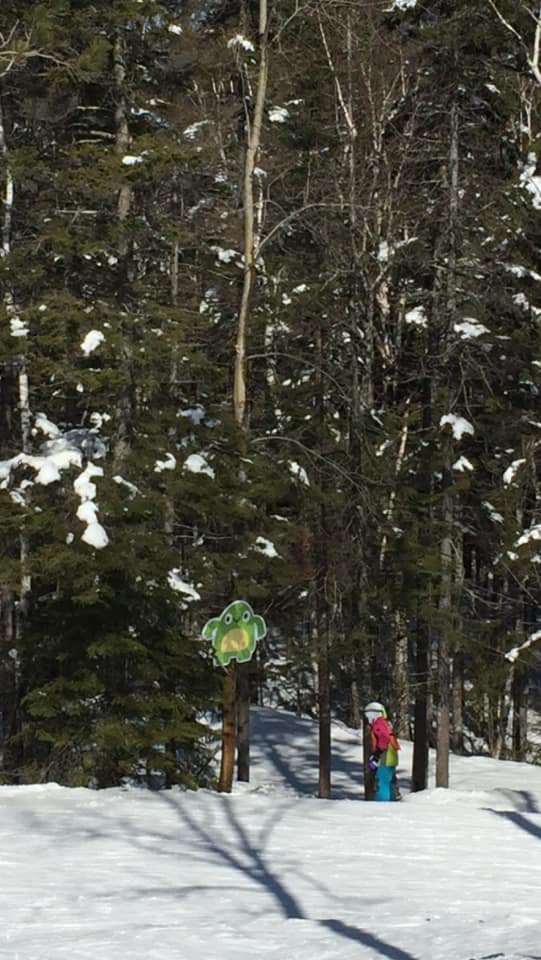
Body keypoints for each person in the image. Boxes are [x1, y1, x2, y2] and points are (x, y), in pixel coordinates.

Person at [364, 701, 401, 801]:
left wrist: (377, 754)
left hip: (385, 755)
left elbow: (384, 738)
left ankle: (382, 805)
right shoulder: (383, 723)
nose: (367, 717)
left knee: (382, 780)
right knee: (388, 780)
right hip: (390, 755)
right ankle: (393, 800)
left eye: (368, 714)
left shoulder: (378, 723)